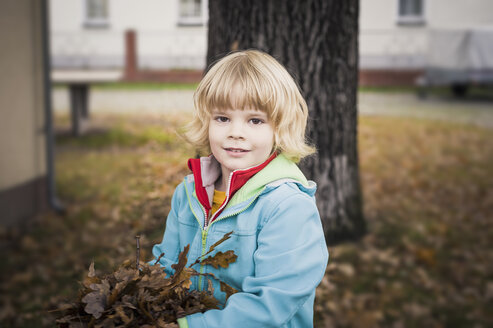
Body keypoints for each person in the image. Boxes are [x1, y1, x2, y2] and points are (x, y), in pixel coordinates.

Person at [151, 49, 329, 328]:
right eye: (222, 118)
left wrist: (189, 326)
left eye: (255, 120)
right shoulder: (187, 194)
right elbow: (164, 266)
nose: (236, 131)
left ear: (279, 128)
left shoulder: (287, 206)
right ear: (206, 122)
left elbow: (271, 304)